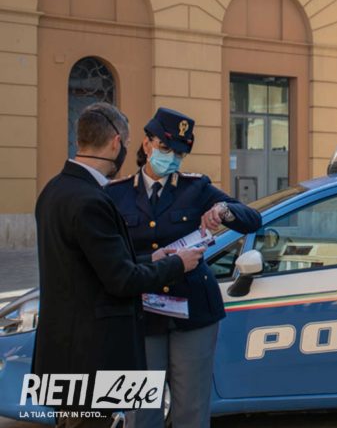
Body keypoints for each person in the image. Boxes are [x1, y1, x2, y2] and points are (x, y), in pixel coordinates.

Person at [34, 102, 203, 428]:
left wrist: (149, 259)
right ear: (116, 143)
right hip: (92, 357)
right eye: (125, 143)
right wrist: (176, 264)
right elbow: (121, 280)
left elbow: (89, 266)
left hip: (63, 354)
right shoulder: (91, 200)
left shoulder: (54, 190)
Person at [106, 107, 262, 428]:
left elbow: (252, 219)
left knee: (191, 410)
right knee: (141, 413)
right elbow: (110, 258)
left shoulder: (196, 187)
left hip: (194, 312)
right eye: (166, 148)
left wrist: (223, 210)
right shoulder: (115, 195)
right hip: (140, 313)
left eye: (180, 153)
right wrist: (151, 261)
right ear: (147, 144)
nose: (173, 158)